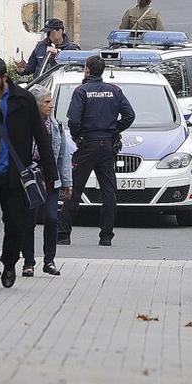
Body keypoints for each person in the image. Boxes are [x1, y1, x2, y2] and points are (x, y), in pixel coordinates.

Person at [0, 56, 56, 287]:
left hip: (16, 176)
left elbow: (41, 137)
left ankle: (9, 263)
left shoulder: (23, 100)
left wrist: (51, 174)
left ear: (5, 78)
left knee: (16, 222)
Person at [58, 55, 135, 247]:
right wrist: (114, 129)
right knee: (109, 192)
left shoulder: (81, 91)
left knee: (74, 189)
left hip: (87, 145)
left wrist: (78, 136)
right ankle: (106, 236)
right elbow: (129, 115)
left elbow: (74, 121)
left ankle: (63, 234)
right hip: (107, 145)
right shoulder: (115, 90)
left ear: (87, 70)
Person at [28, 84, 72, 275]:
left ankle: (49, 260)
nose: (51, 105)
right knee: (28, 222)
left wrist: (67, 182)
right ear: (36, 104)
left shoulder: (56, 126)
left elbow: (63, 155)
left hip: (50, 179)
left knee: (52, 219)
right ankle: (28, 262)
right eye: (46, 102)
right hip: (30, 179)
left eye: (51, 101)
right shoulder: (25, 126)